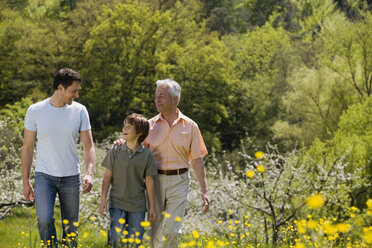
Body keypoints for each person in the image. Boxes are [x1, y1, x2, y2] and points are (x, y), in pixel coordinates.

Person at [116, 79, 210, 248]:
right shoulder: (148, 126)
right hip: (154, 181)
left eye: (162, 96)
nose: (157, 100)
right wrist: (120, 143)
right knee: (155, 232)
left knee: (173, 231)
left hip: (180, 181)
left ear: (174, 99)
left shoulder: (190, 126)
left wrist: (205, 191)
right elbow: (134, 147)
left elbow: (196, 160)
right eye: (156, 96)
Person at [21, 68, 96, 248]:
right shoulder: (35, 110)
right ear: (60, 88)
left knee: (71, 227)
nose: (77, 95)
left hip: (71, 177)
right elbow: (28, 147)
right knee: (45, 220)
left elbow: (89, 146)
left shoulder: (80, 111)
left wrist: (89, 173)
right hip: (44, 176)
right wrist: (25, 181)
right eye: (74, 91)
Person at [99, 113, 157, 248]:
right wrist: (103, 199)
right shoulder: (115, 150)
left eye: (129, 126)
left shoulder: (147, 155)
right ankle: (112, 237)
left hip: (138, 205)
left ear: (139, 132)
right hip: (117, 202)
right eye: (124, 125)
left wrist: (152, 207)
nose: (124, 129)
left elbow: (149, 181)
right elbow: (107, 176)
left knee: (135, 241)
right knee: (116, 238)